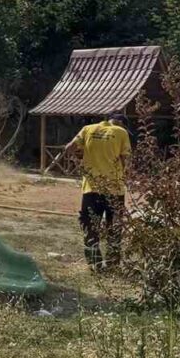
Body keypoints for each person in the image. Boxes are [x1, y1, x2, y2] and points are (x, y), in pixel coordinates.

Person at [63, 111, 131, 270]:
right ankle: (113, 266)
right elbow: (126, 160)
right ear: (121, 124)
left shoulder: (88, 129)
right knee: (114, 229)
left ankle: (95, 265)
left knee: (90, 228)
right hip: (115, 190)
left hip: (91, 189)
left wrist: (82, 156)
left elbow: (70, 148)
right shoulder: (121, 132)